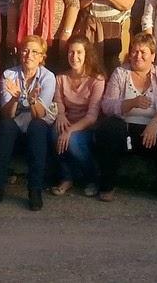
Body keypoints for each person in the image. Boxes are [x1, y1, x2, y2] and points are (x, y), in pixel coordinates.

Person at [94, 33, 157, 203]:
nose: (137, 56)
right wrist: (131, 103)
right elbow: (107, 105)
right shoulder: (121, 73)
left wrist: (155, 123)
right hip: (125, 132)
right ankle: (107, 186)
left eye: (143, 52)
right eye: (134, 52)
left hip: (151, 131)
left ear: (153, 56)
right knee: (109, 128)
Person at [0, 35, 57, 211]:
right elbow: (6, 115)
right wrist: (15, 99)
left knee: (38, 127)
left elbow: (39, 114)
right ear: (20, 53)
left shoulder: (48, 77)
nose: (29, 55)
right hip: (15, 123)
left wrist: (33, 100)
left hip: (35, 125)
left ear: (42, 57)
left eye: (35, 52)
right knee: (5, 127)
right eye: (26, 50)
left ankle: (35, 190)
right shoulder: (9, 75)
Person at [52, 37, 105, 196]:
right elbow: (58, 103)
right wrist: (60, 115)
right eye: (71, 52)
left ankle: (92, 178)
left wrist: (70, 131)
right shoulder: (60, 78)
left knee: (73, 141)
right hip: (68, 122)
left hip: (88, 126)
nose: (74, 57)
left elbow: (92, 116)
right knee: (54, 133)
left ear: (86, 54)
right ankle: (66, 177)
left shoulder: (97, 79)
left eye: (79, 52)